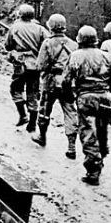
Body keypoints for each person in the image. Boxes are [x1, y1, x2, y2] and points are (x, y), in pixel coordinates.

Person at [61, 25, 111, 186]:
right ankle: (101, 154)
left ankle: (93, 170)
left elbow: (66, 80)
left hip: (86, 97)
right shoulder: (106, 56)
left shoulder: (75, 56)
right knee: (102, 129)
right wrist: (108, 87)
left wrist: (70, 95)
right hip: (105, 97)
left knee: (88, 132)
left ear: (79, 40)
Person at [32, 13, 79, 160]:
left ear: (51, 26)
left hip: (51, 81)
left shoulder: (47, 43)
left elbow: (40, 65)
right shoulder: (74, 44)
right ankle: (71, 147)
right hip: (67, 82)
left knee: (45, 108)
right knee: (70, 112)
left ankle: (42, 136)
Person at [5, 3, 49, 132]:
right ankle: (33, 123)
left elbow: (8, 45)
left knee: (15, 89)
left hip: (21, 64)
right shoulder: (40, 29)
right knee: (33, 93)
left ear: (20, 14)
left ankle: (23, 115)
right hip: (35, 65)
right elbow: (47, 44)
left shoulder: (14, 27)